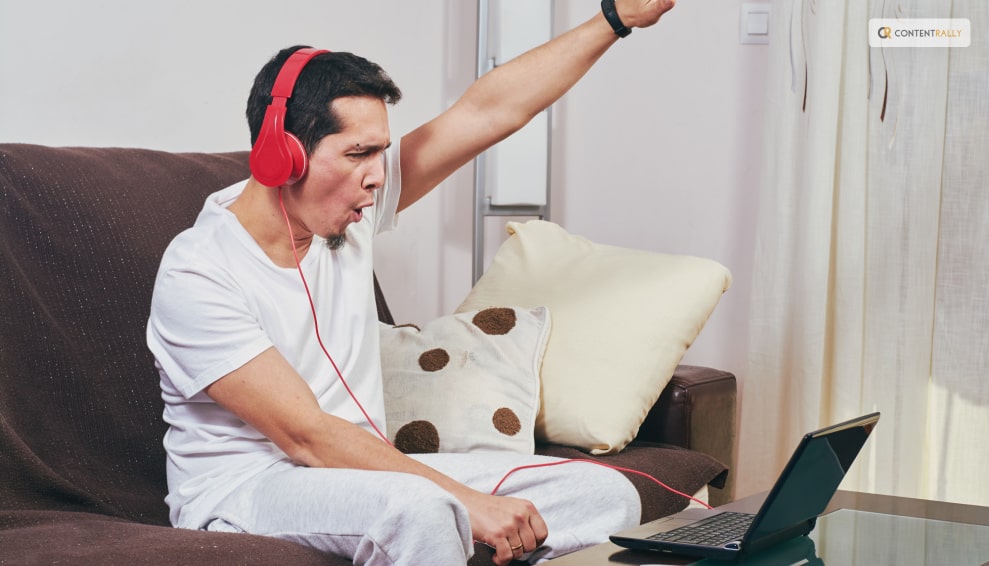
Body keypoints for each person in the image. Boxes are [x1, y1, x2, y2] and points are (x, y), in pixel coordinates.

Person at [147, 1, 676, 564]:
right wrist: (466, 500)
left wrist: (615, 19)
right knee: (424, 508)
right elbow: (306, 435)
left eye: (380, 152)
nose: (378, 177)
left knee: (603, 494)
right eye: (358, 154)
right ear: (284, 156)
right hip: (249, 489)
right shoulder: (199, 272)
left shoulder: (350, 209)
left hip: (361, 474)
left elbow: (488, 111)